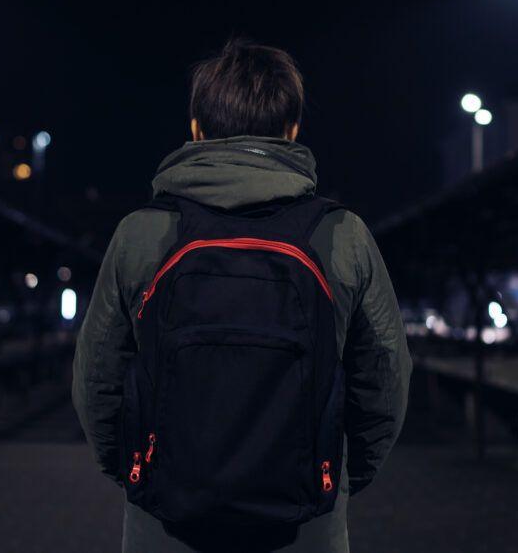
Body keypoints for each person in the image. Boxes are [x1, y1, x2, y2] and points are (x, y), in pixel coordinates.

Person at [72, 38, 411, 552]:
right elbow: (385, 377)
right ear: (293, 130)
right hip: (305, 522)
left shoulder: (142, 234)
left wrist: (135, 472)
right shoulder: (342, 235)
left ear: (196, 130)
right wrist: (337, 478)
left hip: (164, 521)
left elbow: (96, 376)